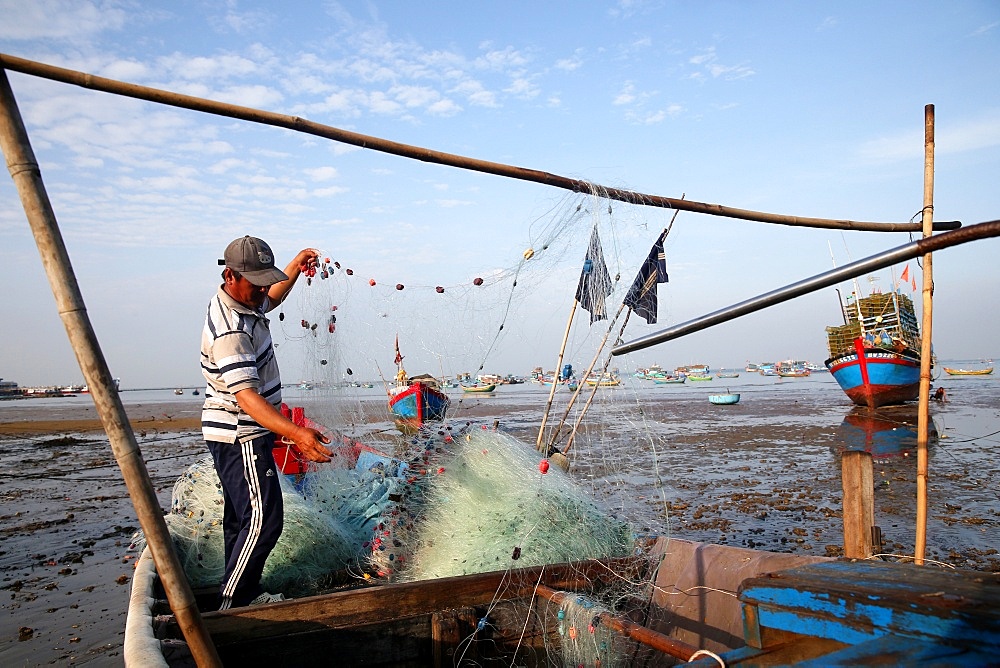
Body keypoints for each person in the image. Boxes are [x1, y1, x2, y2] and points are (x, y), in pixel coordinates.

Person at [200, 235, 332, 609]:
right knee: (264, 519)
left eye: (264, 280)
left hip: (242, 430)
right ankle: (235, 602)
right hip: (240, 433)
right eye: (255, 282)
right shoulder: (231, 331)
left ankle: (239, 587)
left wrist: (294, 264)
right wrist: (295, 433)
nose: (262, 290)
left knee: (242, 518)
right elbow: (247, 398)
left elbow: (272, 296)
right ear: (230, 276)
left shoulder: (246, 302)